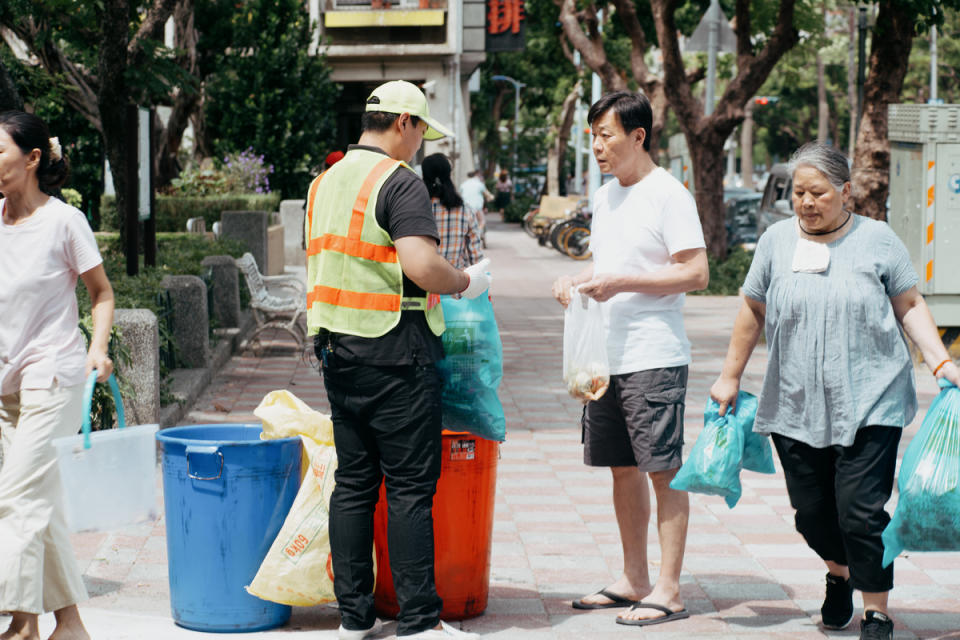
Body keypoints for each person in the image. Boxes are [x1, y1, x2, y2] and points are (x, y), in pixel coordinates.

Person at [709, 142, 960, 640]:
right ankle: (838, 573)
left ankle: (876, 610)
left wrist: (941, 360)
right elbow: (753, 310)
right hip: (795, 401)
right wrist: (729, 375)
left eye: (818, 192)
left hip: (872, 399)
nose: (806, 201)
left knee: (862, 512)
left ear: (845, 192)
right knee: (813, 513)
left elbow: (908, 301)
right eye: (798, 192)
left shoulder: (878, 239)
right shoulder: (776, 242)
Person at [304, 80, 490, 640]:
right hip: (396, 354)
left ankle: (354, 619)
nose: (418, 146)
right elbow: (421, 265)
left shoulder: (324, 182)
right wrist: (463, 282)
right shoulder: (399, 182)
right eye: (419, 133)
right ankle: (417, 621)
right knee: (410, 488)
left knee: (355, 484)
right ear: (404, 123)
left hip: (338, 352)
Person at [550, 91, 709, 626]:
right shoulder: (605, 196)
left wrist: (621, 282)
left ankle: (669, 589)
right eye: (592, 135)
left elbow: (695, 273)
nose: (596, 146)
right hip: (605, 357)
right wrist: (574, 280)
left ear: (638, 136)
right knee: (622, 470)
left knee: (663, 471)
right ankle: (635, 578)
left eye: (605, 135)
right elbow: (606, 265)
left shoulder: (669, 195)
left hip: (653, 356)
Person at [0, 111, 115, 640]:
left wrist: (97, 349)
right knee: (38, 506)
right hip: (7, 388)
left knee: (16, 499)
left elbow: (102, 293)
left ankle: (20, 624)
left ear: (32, 158)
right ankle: (69, 625)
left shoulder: (63, 221)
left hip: (55, 377)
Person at [423, 154, 483, 270]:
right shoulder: (465, 210)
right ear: (449, 175)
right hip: (457, 283)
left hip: (420, 282)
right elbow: (476, 257)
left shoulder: (414, 208)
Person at [458, 170, 492, 246]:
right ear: (476, 176)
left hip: (466, 208)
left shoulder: (463, 185)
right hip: (477, 208)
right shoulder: (480, 184)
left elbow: (459, 195)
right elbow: (488, 195)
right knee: (482, 221)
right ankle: (479, 233)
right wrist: (490, 198)